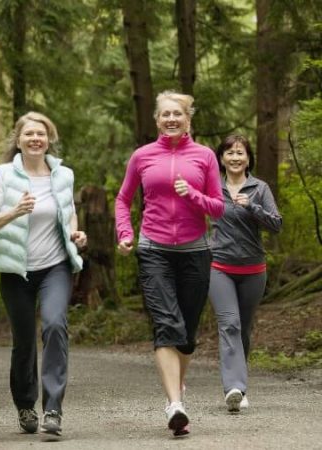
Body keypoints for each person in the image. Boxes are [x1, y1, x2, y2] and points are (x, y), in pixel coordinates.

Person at [115, 91, 224, 436]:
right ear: (158, 120)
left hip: (194, 250)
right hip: (154, 249)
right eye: (165, 114)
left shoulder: (204, 156)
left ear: (188, 118)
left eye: (178, 113)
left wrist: (191, 194)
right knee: (166, 326)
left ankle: (177, 387)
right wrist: (125, 232)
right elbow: (123, 199)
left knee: (187, 335)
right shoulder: (143, 156)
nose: (172, 119)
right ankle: (175, 404)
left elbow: (219, 207)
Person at [0, 112, 87, 436]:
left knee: (55, 325)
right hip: (16, 270)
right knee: (23, 341)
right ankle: (26, 405)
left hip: (55, 266)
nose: (35, 139)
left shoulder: (63, 175)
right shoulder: (5, 176)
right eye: (29, 134)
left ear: (48, 138)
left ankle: (53, 409)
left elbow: (68, 214)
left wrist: (75, 234)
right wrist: (15, 211)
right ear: (19, 139)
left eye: (41, 133)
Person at [209, 134, 282, 413]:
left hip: (253, 269)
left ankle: (241, 385)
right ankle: (234, 388)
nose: (235, 157)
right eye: (230, 153)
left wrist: (252, 206)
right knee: (229, 324)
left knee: (244, 329)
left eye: (241, 153)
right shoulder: (212, 186)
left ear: (248, 158)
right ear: (222, 158)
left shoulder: (259, 188)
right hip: (219, 267)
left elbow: (276, 224)